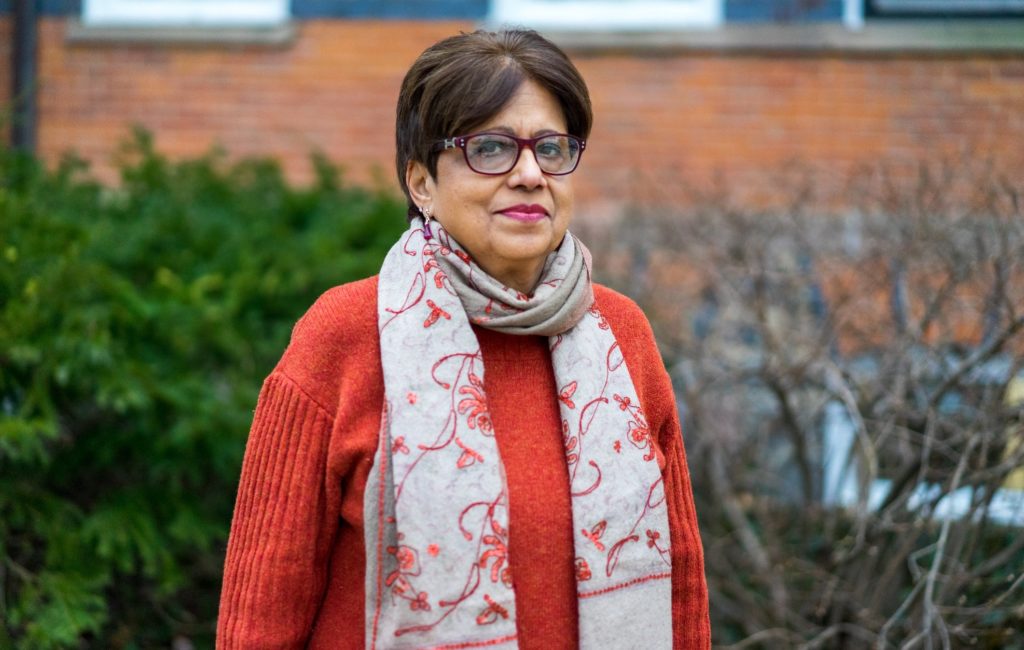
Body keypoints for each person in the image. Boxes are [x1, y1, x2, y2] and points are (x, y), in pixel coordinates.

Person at [217, 29, 710, 649]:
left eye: (552, 148)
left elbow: (682, 595)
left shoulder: (622, 334)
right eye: (492, 148)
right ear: (421, 182)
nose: (530, 174)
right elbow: (261, 611)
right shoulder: (343, 335)